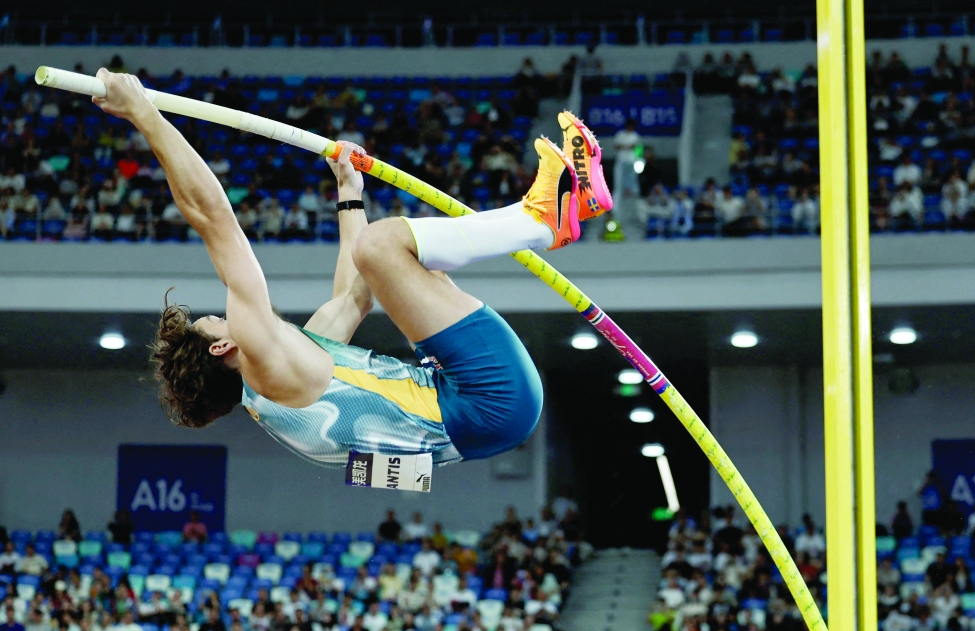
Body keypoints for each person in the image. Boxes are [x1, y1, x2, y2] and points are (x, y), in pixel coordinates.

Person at [91, 70, 610, 471]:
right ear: (222, 347)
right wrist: (145, 116)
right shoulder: (263, 354)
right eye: (217, 322)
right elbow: (213, 220)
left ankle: (544, 216)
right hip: (485, 400)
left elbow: (354, 298)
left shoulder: (282, 383)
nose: (226, 318)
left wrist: (348, 193)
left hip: (484, 412)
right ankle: (541, 220)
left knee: (376, 248)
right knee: (382, 245)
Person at [611, 119, 640, 208]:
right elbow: (616, 146)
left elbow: (637, 148)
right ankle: (616, 205)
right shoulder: (620, 135)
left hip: (631, 162)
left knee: (633, 183)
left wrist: (625, 146)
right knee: (618, 184)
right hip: (621, 162)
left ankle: (633, 203)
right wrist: (628, 146)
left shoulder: (635, 136)